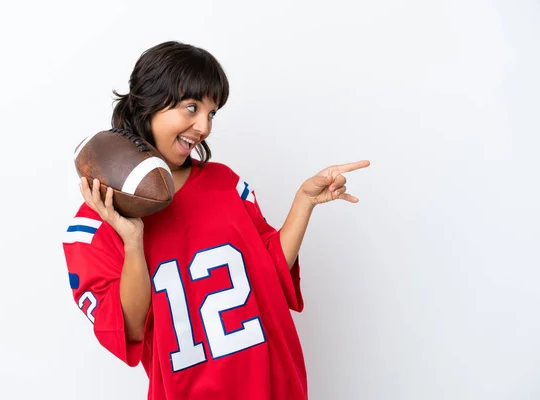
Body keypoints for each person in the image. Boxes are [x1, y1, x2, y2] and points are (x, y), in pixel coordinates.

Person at [63, 41, 370, 400]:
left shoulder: (225, 183)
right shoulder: (91, 228)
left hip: (274, 384)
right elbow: (128, 329)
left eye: (211, 113)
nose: (203, 127)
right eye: (191, 108)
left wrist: (304, 202)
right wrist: (133, 241)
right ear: (147, 103)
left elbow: (268, 272)